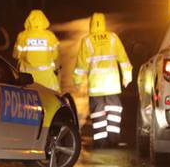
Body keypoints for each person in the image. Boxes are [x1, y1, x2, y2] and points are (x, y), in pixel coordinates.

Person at [73, 13, 132, 147]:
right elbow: (123, 59)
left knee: (98, 112)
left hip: (96, 85)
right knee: (114, 111)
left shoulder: (87, 40)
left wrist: (77, 81)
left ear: (91, 24)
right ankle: (114, 139)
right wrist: (127, 77)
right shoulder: (113, 37)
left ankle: (100, 141)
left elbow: (81, 65)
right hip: (112, 85)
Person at [13, 10, 60, 91]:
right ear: (44, 20)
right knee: (50, 99)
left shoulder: (22, 36)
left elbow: (16, 55)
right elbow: (55, 55)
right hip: (46, 78)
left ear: (28, 21)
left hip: (28, 78)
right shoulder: (50, 36)